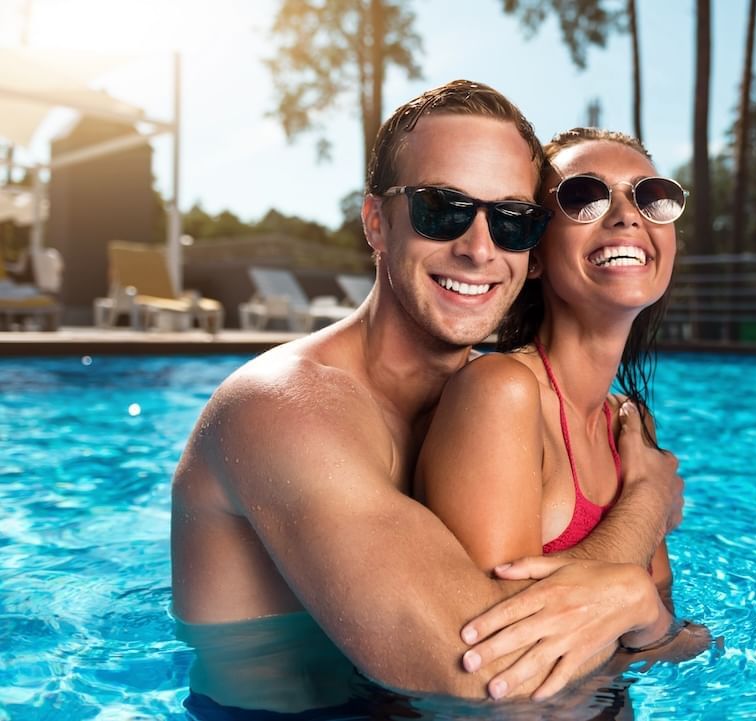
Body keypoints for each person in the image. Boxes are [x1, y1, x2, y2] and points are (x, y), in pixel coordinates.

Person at [170, 81, 685, 715]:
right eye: (442, 210)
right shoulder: (282, 409)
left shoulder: (495, 399)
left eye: (511, 220)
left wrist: (637, 603)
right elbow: (489, 679)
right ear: (376, 222)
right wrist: (645, 509)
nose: (477, 248)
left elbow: (652, 643)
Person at [415, 128, 696, 647]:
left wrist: (646, 616)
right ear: (534, 253)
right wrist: (646, 501)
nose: (626, 215)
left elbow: (661, 629)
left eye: (650, 196)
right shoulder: (499, 393)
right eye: (584, 197)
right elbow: (496, 655)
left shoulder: (631, 424)